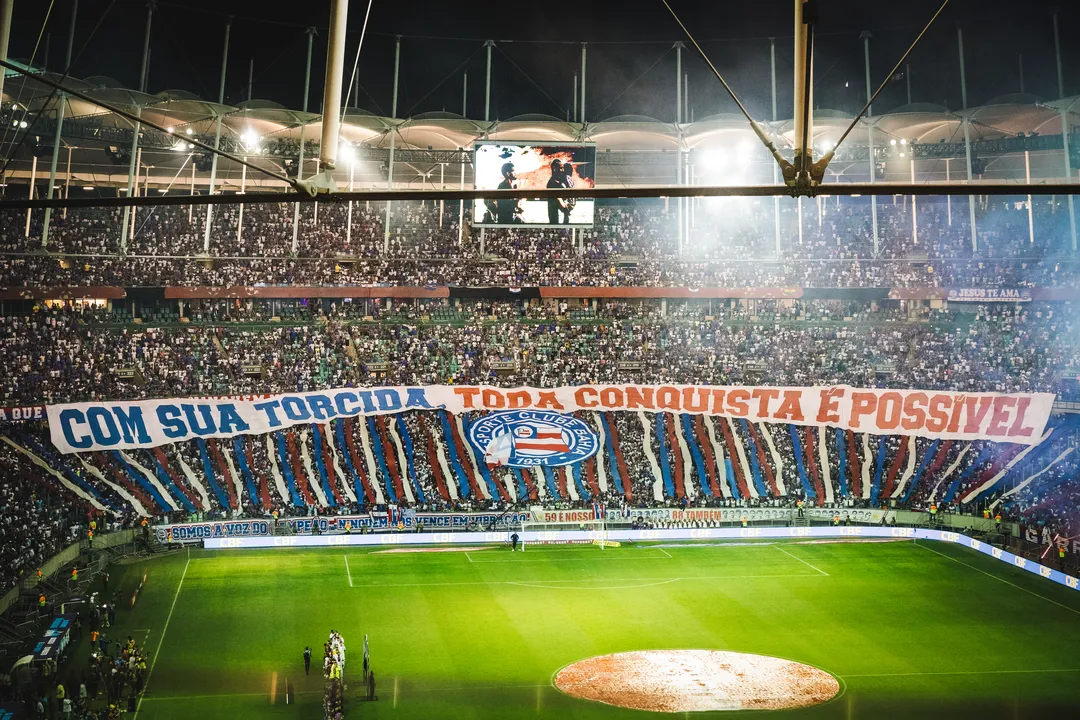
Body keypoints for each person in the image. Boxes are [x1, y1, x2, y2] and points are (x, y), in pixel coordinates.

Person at [546, 159, 574, 224]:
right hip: (556, 207)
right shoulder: (551, 183)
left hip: (566, 205)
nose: (562, 170)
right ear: (554, 168)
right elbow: (555, 196)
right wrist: (562, 202)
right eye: (560, 168)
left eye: (562, 168)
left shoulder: (565, 178)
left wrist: (568, 203)